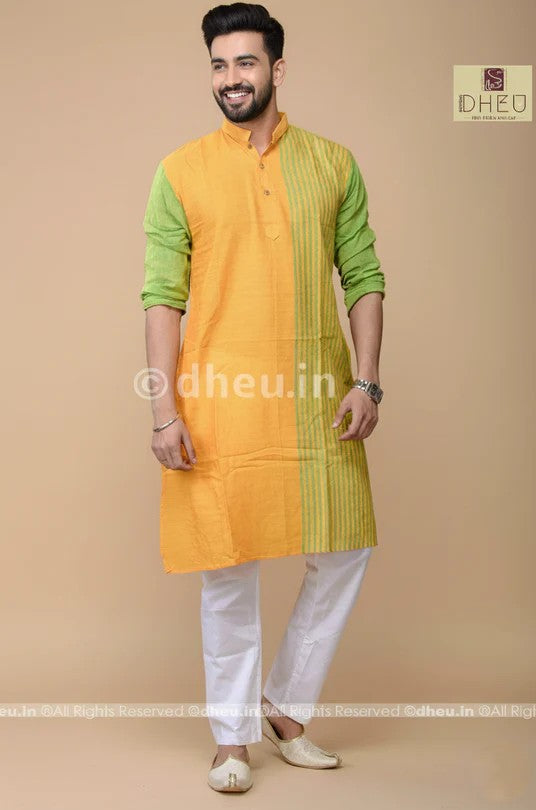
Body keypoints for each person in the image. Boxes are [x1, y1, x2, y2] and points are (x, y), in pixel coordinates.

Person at [140, 2, 386, 793]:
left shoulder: (333, 164)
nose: (231, 78)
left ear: (277, 69)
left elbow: (364, 276)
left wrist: (367, 379)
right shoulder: (181, 170)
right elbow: (161, 296)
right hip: (220, 398)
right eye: (219, 64)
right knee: (227, 566)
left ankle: (285, 707)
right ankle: (232, 740)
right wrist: (164, 410)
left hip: (317, 397)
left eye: (245, 62)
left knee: (346, 546)